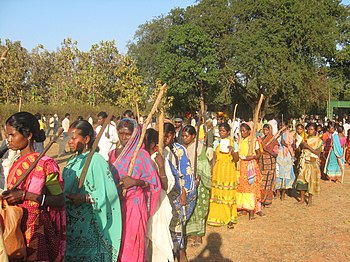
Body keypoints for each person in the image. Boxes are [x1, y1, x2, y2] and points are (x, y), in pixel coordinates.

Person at [3, 112, 65, 261]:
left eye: (12, 135)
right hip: (16, 226)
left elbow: (59, 199)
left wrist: (26, 196)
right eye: (7, 135)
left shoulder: (45, 164)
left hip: (36, 230)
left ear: (28, 135)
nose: (8, 140)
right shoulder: (16, 162)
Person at [63, 120, 121, 260]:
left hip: (90, 225)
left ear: (86, 139)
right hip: (72, 227)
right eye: (68, 138)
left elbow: (108, 193)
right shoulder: (72, 160)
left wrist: (84, 198)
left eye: (74, 138)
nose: (69, 142)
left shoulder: (96, 161)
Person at [109, 118, 161, 262]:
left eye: (128, 134)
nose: (124, 137)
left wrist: (135, 182)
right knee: (116, 243)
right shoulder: (112, 154)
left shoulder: (142, 155)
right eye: (121, 133)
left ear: (135, 135)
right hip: (115, 206)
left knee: (131, 245)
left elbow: (154, 184)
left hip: (134, 206)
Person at [163, 123, 196, 262]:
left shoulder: (179, 150)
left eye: (168, 135)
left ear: (173, 135)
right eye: (163, 136)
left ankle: (180, 253)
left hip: (178, 193)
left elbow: (184, 174)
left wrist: (183, 192)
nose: (165, 139)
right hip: (163, 194)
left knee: (177, 224)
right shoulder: (157, 150)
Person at [144, 128, 175, 262]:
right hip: (142, 204)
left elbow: (166, 186)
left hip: (158, 205)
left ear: (151, 143)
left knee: (158, 239)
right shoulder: (139, 158)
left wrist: (161, 167)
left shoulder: (159, 158)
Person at [182, 125, 211, 245]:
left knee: (199, 208)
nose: (184, 138)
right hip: (187, 182)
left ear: (193, 136)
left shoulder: (199, 148)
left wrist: (198, 177)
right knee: (189, 207)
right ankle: (189, 232)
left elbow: (203, 165)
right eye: (183, 136)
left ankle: (198, 234)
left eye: (187, 136)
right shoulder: (182, 148)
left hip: (199, 182)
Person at [207, 123, 238, 228]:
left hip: (229, 171)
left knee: (228, 193)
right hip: (218, 171)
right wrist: (212, 170)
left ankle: (229, 218)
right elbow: (214, 158)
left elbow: (236, 159)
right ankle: (217, 217)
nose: (221, 133)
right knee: (218, 192)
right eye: (220, 131)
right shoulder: (216, 143)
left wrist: (232, 151)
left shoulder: (233, 143)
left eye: (223, 131)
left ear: (228, 132)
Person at [236, 123, 263, 220]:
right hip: (241, 166)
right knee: (242, 187)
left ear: (249, 131)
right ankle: (243, 208)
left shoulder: (253, 141)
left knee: (251, 187)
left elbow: (259, 154)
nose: (242, 133)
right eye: (241, 131)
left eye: (244, 131)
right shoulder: (240, 141)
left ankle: (252, 211)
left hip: (250, 166)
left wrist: (252, 157)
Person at [295, 123, 323, 205]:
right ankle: (302, 199)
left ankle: (310, 200)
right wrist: (299, 145)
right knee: (302, 181)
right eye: (308, 129)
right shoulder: (305, 139)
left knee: (311, 182)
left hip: (312, 163)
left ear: (315, 131)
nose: (309, 131)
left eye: (311, 129)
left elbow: (318, 153)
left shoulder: (318, 141)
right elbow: (300, 150)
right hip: (304, 163)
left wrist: (308, 147)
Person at [260, 124, 279, 207]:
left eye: (267, 130)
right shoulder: (261, 139)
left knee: (269, 181)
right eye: (264, 130)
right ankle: (261, 199)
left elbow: (276, 154)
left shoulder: (273, 140)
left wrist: (268, 150)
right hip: (262, 162)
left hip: (271, 163)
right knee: (262, 181)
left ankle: (268, 200)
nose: (265, 132)